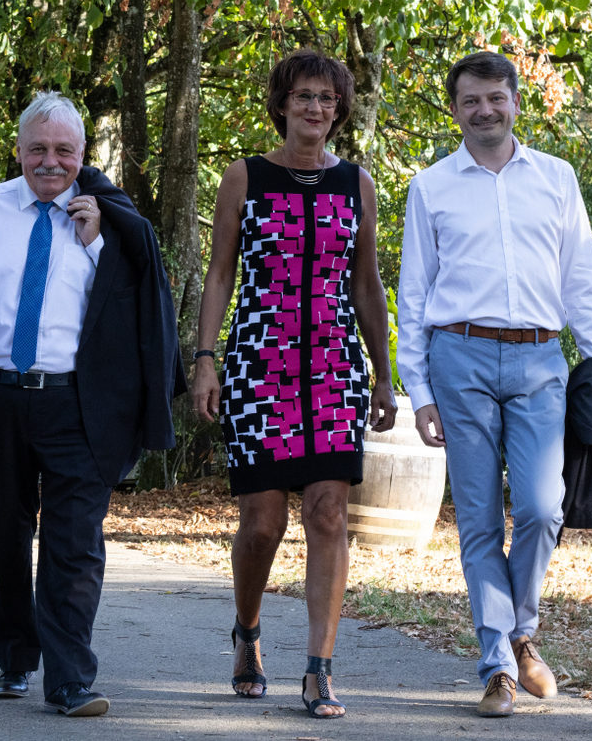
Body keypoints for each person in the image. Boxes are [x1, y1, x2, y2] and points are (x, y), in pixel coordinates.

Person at [0, 91, 182, 717]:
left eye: (63, 151)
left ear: (82, 155)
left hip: (78, 406)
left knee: (74, 543)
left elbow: (134, 308)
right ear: (18, 152)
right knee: (7, 535)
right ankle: (15, 657)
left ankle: (70, 679)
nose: (50, 162)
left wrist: (96, 243)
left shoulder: (111, 223)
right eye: (38, 149)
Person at [397, 51, 592, 718]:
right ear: (455, 110)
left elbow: (582, 276)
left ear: (516, 100)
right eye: (471, 101)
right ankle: (499, 662)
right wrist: (420, 390)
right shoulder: (430, 186)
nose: (484, 110)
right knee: (481, 518)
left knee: (545, 507)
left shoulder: (556, 178)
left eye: (496, 98)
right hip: (457, 356)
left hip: (540, 358)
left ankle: (522, 630)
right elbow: (412, 293)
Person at [191, 49, 396, 719]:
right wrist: (205, 357)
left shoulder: (356, 185)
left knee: (329, 513)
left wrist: (383, 375)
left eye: (327, 100)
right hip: (260, 362)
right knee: (263, 524)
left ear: (338, 111)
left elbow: (365, 285)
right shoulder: (244, 177)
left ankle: (319, 667)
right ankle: (247, 632)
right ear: (282, 104)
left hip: (334, 365)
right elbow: (220, 273)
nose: (315, 108)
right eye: (304, 96)